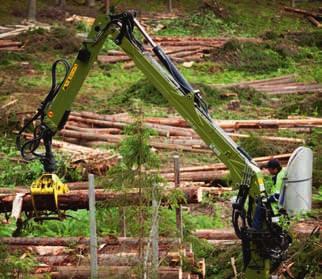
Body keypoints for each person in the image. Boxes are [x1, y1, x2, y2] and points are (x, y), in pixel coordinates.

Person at [252, 159, 286, 231]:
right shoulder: (282, 172)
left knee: (260, 206)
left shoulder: (279, 177)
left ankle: (256, 229)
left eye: (270, 169)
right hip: (280, 203)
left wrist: (266, 199)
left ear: (275, 169)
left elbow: (277, 196)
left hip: (277, 205)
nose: (269, 171)